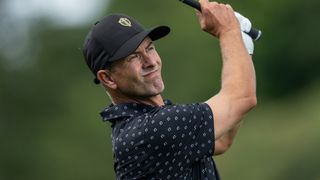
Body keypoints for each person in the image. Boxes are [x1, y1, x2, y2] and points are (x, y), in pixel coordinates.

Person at [82, 0, 257, 179]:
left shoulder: (153, 121)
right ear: (108, 78)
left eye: (149, 48)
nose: (150, 62)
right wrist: (228, 30)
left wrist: (242, 45)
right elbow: (242, 99)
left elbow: (222, 140)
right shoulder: (152, 130)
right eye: (133, 57)